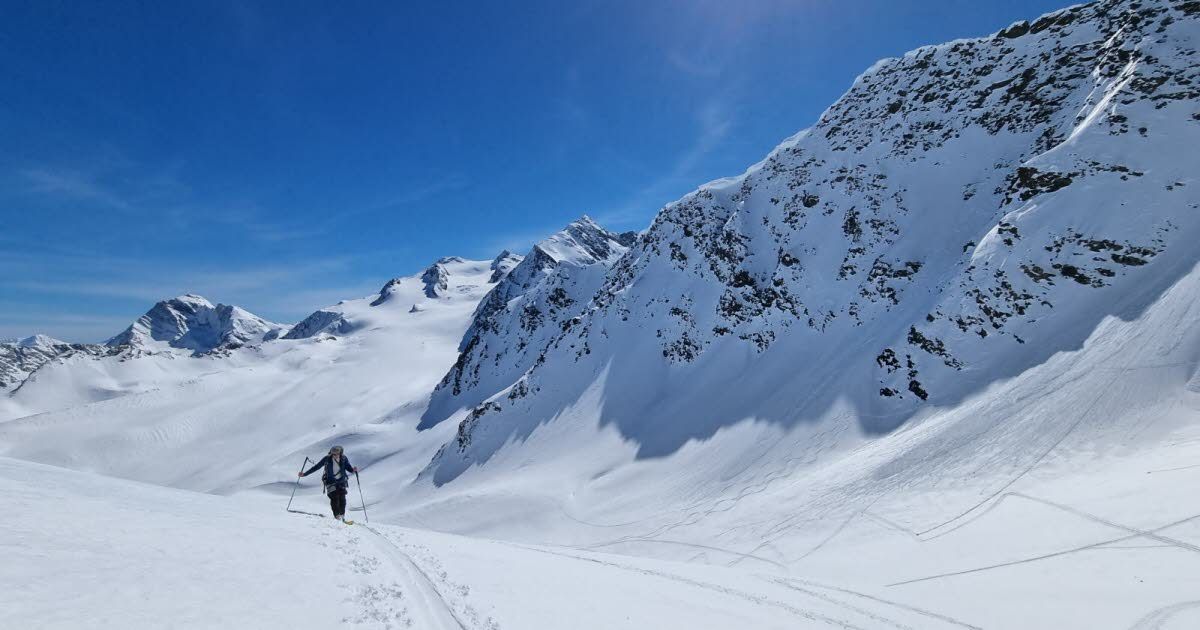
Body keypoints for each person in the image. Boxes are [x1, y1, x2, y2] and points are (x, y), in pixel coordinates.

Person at [300, 445, 358, 521]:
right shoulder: (327, 459)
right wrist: (304, 474)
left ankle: (342, 515)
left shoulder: (344, 458)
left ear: (340, 453)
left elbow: (349, 468)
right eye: (333, 454)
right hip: (330, 481)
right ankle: (337, 516)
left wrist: (353, 470)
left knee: (342, 499)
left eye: (337, 454)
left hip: (342, 481)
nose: (335, 455)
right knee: (334, 498)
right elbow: (316, 467)